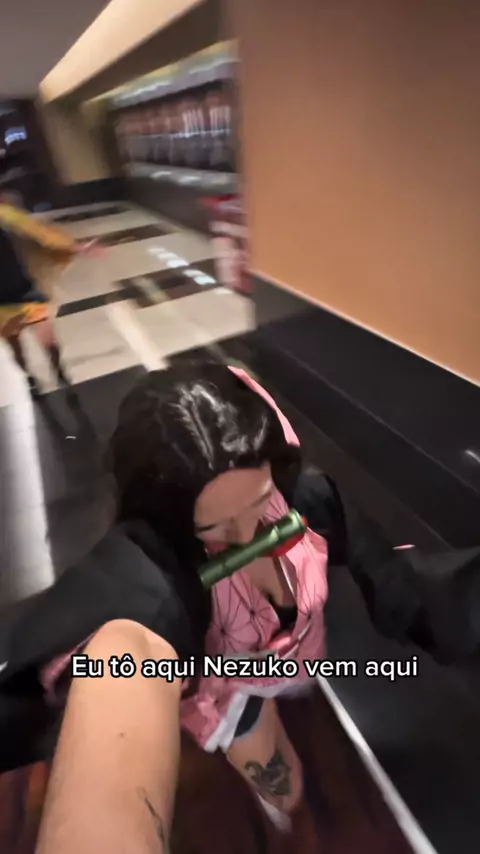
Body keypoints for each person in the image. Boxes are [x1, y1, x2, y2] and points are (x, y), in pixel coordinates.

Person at [0, 189, 91, 396]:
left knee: (48, 340)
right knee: (15, 346)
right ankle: (28, 377)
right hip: (2, 298)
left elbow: (42, 234)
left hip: (24, 289)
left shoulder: (5, 215)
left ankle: (59, 372)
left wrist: (75, 247)